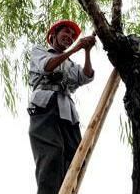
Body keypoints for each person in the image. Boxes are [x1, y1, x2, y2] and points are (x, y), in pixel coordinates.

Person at [28, 19, 96, 194]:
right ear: (54, 35)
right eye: (66, 32)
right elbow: (47, 67)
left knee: (77, 157)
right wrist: (75, 49)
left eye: (73, 36)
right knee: (52, 153)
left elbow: (85, 76)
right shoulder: (40, 51)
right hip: (45, 107)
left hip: (67, 112)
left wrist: (87, 51)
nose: (70, 37)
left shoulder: (70, 64)